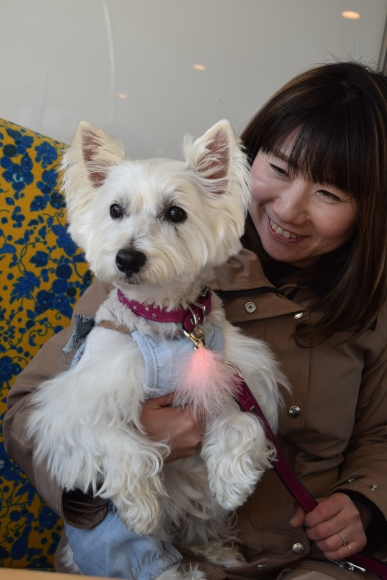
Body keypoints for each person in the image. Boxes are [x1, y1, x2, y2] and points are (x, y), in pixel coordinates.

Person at [4, 60, 387, 579]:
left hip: (307, 560)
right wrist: (135, 439)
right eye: (278, 169)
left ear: (369, 210)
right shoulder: (133, 280)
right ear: (245, 164)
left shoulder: (371, 309)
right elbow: (27, 416)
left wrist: (366, 500)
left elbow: (381, 434)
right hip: (154, 552)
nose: (290, 209)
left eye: (329, 193)